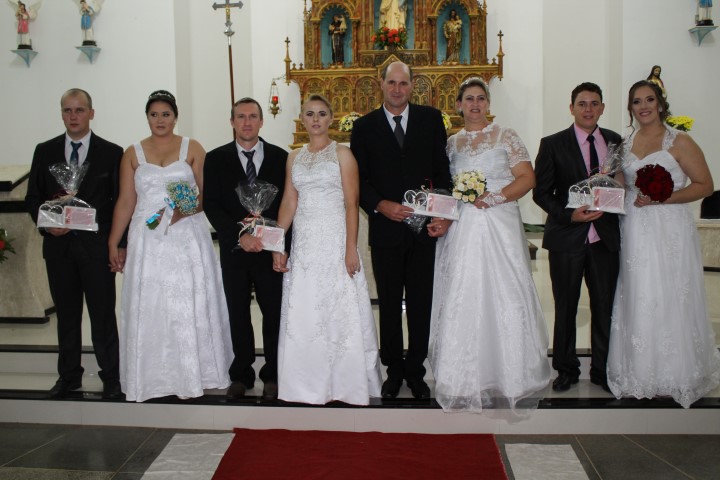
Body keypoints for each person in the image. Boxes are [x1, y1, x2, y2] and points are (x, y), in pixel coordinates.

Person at [429, 78, 550, 414]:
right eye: (469, 99)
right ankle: (464, 374)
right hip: (464, 228)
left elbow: (527, 178)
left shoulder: (505, 136)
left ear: (488, 103)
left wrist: (495, 197)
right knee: (465, 292)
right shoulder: (451, 144)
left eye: (481, 98)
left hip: (499, 222)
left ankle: (511, 371)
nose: (475, 104)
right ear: (458, 105)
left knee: (505, 291)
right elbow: (447, 189)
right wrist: (445, 216)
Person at [108, 90, 232, 402]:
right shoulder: (133, 153)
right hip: (147, 237)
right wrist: (114, 240)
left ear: (175, 117)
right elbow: (126, 201)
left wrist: (182, 210)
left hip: (185, 234)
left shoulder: (193, 148)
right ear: (147, 117)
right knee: (151, 302)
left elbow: (206, 195)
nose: (160, 120)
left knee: (186, 300)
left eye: (166, 114)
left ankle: (196, 372)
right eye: (154, 115)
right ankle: (151, 376)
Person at [607, 80, 720, 408]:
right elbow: (620, 185)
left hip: (669, 227)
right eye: (636, 101)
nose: (643, 106)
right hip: (635, 227)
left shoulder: (680, 141)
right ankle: (640, 370)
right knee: (640, 292)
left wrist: (664, 198)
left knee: (670, 292)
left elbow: (705, 185)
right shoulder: (625, 143)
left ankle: (676, 371)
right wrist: (604, 183)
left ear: (660, 103)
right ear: (630, 107)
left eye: (649, 99)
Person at [350, 61, 452, 399]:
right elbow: (358, 179)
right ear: (381, 84)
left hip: (424, 231)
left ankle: (416, 371)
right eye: (391, 83)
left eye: (403, 83)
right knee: (390, 303)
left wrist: (441, 214)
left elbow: (442, 171)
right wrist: (380, 204)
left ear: (412, 85)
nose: (397, 89)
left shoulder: (430, 119)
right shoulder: (364, 127)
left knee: (421, 302)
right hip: (386, 230)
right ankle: (393, 371)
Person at [272, 95, 382, 405]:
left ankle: (345, 383)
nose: (316, 119)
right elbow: (289, 201)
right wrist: (277, 243)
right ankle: (305, 383)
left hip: (334, 240)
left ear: (331, 118)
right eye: (310, 114)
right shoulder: (294, 157)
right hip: (305, 244)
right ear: (302, 119)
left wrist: (350, 249)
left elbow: (351, 203)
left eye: (321, 114)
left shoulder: (343, 154)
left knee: (338, 309)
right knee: (305, 308)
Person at [25, 88, 123, 400]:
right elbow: (32, 198)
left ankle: (111, 376)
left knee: (103, 315)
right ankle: (68, 376)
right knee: (66, 316)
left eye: (79, 110)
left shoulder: (111, 152)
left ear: (91, 113)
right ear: (61, 114)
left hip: (96, 249)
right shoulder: (45, 151)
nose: (73, 116)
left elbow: (119, 202)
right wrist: (47, 225)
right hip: (59, 249)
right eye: (67, 110)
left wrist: (118, 244)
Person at [533, 82, 622, 393]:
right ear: (571, 108)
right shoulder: (553, 144)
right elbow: (541, 193)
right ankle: (566, 368)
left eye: (594, 103)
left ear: (602, 108)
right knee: (566, 306)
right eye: (582, 103)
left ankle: (602, 369)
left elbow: (620, 184)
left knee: (604, 306)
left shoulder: (615, 141)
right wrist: (570, 215)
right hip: (567, 238)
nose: (588, 109)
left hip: (604, 239)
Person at [204, 97, 288, 401]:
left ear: (262, 121)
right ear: (232, 122)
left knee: (274, 312)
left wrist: (277, 241)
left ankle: (273, 373)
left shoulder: (281, 157)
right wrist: (239, 235)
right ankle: (241, 373)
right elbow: (211, 204)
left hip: (270, 249)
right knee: (237, 312)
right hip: (235, 250)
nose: (247, 122)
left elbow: (288, 203)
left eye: (253, 116)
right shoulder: (215, 158)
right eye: (241, 117)